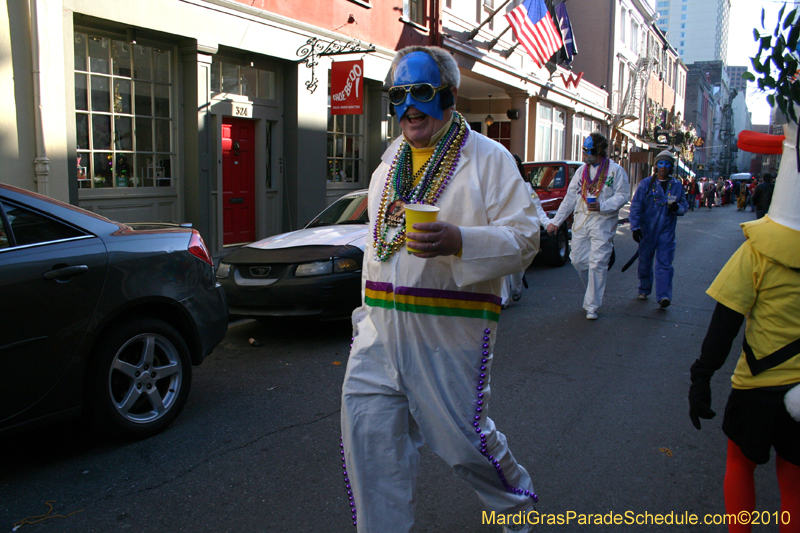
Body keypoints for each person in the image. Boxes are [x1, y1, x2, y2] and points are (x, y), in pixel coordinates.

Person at [340, 46, 541, 533]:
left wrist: (460, 241)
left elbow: (527, 235)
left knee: (463, 443)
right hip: (379, 333)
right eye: (399, 95)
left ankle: (516, 506)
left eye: (422, 93)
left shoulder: (488, 159)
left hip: (447, 331)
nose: (410, 106)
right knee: (369, 441)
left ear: (449, 97)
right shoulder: (390, 163)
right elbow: (381, 244)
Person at [688, 166, 800, 533]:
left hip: (756, 386)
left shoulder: (757, 251)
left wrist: (702, 376)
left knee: (739, 465)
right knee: (794, 483)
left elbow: (726, 321)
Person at [545, 132, 630, 320]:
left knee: (598, 263)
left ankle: (592, 306)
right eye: (584, 151)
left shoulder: (615, 171)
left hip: (603, 222)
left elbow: (623, 195)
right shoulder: (581, 171)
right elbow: (569, 198)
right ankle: (593, 289)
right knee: (577, 260)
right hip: (581, 220)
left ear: (599, 150)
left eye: (588, 151)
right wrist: (556, 222)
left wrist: (603, 206)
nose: (585, 155)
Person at [628, 150, 688, 308]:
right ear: (656, 166)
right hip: (647, 231)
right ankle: (644, 289)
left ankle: (663, 296)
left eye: (667, 164)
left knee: (665, 264)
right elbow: (635, 207)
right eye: (661, 163)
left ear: (671, 167)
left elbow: (684, 206)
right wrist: (635, 227)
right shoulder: (646, 184)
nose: (664, 167)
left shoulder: (676, 186)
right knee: (645, 262)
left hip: (666, 232)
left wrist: (676, 207)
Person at [500, 155, 549, 308]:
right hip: (502, 230)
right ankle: (503, 298)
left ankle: (516, 289)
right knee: (502, 265)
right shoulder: (498, 186)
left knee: (515, 266)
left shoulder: (526, 187)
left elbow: (538, 209)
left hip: (520, 232)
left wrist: (548, 224)